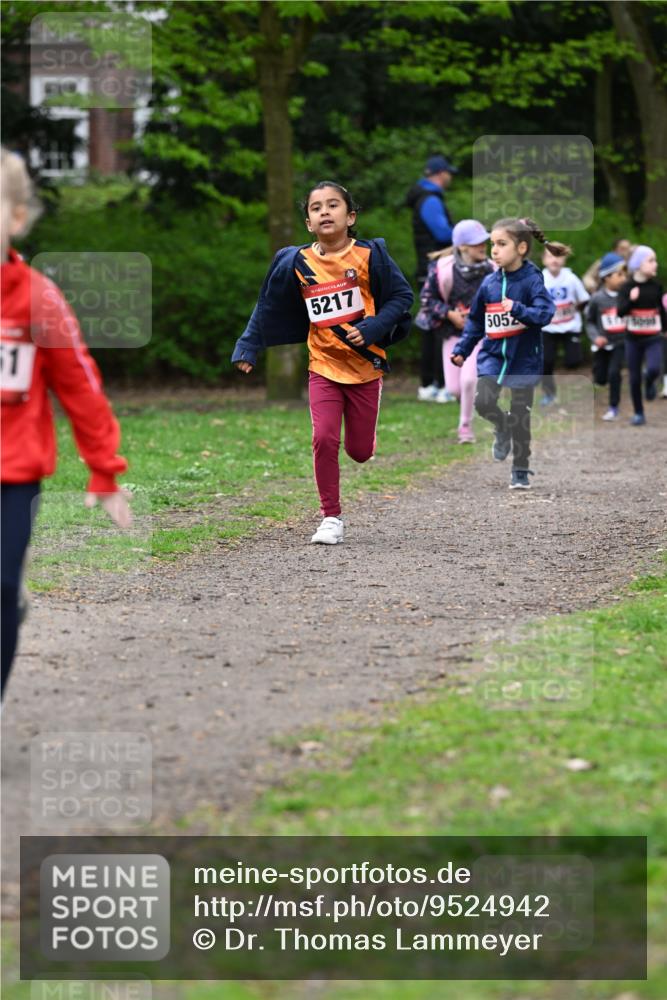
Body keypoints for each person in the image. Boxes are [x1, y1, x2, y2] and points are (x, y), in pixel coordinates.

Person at [1, 147, 131, 698]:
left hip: (13, 476)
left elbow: (80, 387)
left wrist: (104, 470)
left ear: (17, 217)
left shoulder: (38, 299)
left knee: (2, 586)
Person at [231, 181, 413, 544]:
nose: (325, 212)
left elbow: (402, 295)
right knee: (324, 438)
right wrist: (248, 345)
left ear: (351, 216)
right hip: (323, 365)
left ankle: (364, 440)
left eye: (333, 205)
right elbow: (267, 304)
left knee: (360, 452)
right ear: (309, 223)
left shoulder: (369, 255)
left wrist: (374, 328)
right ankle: (331, 517)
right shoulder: (297, 261)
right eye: (316, 208)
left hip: (365, 365)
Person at [450, 217, 562, 490]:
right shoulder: (489, 283)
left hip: (524, 359)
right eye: (492, 245)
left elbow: (546, 313)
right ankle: (501, 428)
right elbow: (476, 320)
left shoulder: (532, 279)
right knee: (484, 403)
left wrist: (519, 309)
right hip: (492, 356)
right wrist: (463, 349)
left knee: (521, 416)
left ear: (521, 248)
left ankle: (520, 470)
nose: (494, 250)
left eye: (502, 244)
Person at [415, 220, 493, 442]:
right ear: (462, 246)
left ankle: (465, 427)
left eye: (484, 242)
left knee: (469, 381)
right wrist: (450, 314)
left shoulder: (492, 270)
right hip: (451, 333)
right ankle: (467, 404)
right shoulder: (443, 269)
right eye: (477, 243)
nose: (483, 246)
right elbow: (427, 299)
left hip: (480, 335)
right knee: (454, 388)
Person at [406, 154, 457, 402]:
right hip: (435, 271)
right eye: (449, 172)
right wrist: (465, 232)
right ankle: (440, 384)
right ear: (440, 173)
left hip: (426, 270)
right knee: (439, 326)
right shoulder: (430, 200)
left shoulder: (423, 198)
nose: (450, 177)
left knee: (429, 325)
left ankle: (429, 384)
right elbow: (443, 233)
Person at [617, 245, 666, 426]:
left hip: (653, 337)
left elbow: (661, 310)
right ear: (638, 264)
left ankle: (650, 380)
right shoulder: (627, 287)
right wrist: (631, 300)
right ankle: (639, 413)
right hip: (633, 339)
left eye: (655, 261)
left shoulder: (656, 286)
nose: (655, 264)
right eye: (651, 261)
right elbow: (620, 313)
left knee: (653, 369)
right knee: (634, 377)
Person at [540, 248, 589, 405]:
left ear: (564, 260)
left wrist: (581, 313)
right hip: (548, 327)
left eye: (558, 256)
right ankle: (549, 394)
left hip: (570, 326)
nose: (554, 260)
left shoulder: (571, 278)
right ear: (543, 260)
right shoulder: (539, 279)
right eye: (550, 256)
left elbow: (583, 299)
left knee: (574, 361)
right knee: (545, 362)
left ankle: (577, 392)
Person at [584, 252, 628, 421]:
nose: (624, 278)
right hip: (603, 344)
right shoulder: (597, 298)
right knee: (601, 378)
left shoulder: (627, 296)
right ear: (606, 277)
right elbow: (589, 321)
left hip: (620, 342)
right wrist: (596, 337)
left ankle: (613, 407)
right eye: (619, 275)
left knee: (614, 373)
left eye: (625, 274)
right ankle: (599, 380)